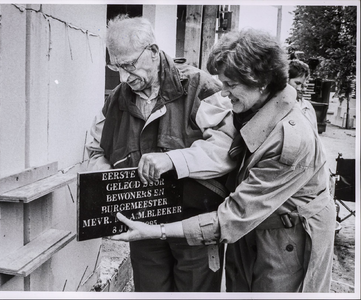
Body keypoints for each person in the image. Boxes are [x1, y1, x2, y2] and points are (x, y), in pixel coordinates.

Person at [112, 28, 336, 293]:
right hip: (253, 230)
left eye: (230, 85)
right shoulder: (253, 106)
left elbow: (232, 218)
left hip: (287, 240)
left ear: (260, 80)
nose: (223, 93)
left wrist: (156, 231)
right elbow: (221, 145)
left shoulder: (291, 141)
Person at [86, 15, 237, 292]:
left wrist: (172, 160)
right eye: (115, 66)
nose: (122, 77)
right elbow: (96, 149)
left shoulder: (200, 87)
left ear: (154, 52)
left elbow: (226, 148)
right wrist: (106, 178)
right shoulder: (116, 100)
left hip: (195, 224)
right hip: (142, 226)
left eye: (129, 65)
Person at [288, 59, 318, 129]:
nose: (302, 89)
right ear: (286, 80)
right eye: (297, 83)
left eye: (304, 85)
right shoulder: (277, 105)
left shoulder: (308, 107)